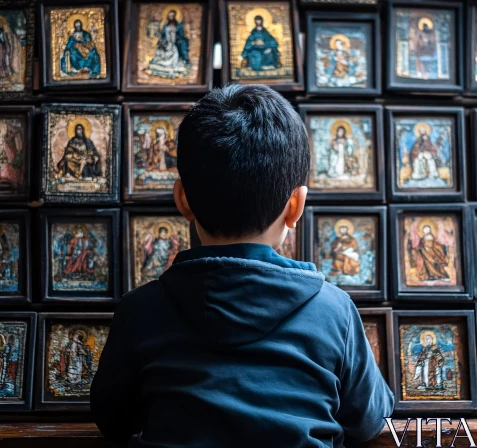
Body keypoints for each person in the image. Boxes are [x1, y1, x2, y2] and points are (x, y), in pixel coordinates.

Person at [91, 85, 393, 446]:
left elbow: (112, 420)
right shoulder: (334, 312)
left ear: (182, 200)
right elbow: (370, 421)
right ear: (296, 206)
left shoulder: (139, 311)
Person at [147, 10, 190, 78]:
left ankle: (173, 66)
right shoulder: (165, 25)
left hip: (174, 43)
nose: (171, 17)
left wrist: (177, 39)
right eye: (170, 16)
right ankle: (162, 64)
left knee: (175, 52)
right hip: (166, 43)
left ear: (175, 16)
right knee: (161, 52)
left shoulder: (177, 25)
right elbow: (162, 35)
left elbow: (180, 35)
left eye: (172, 16)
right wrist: (164, 41)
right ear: (167, 16)